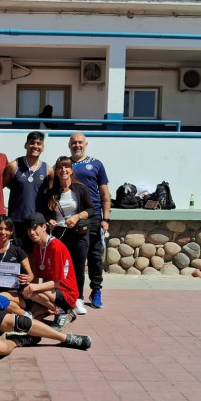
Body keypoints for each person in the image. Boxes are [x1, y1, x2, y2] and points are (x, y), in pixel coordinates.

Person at [0, 212, 79, 332]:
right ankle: (58, 311)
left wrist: (33, 288)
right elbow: (39, 277)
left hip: (66, 292)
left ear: (44, 227)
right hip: (51, 292)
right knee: (30, 316)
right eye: (29, 229)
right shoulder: (37, 248)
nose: (32, 232)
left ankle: (62, 310)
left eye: (35, 228)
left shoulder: (55, 246)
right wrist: (27, 282)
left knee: (31, 289)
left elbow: (56, 283)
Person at [41, 156, 94, 315]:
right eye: (60, 168)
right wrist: (49, 220)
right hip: (59, 234)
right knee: (60, 268)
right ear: (56, 171)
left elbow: (91, 210)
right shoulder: (52, 191)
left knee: (78, 268)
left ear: (71, 170)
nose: (63, 170)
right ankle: (63, 298)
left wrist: (77, 217)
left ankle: (78, 298)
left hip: (78, 234)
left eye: (66, 167)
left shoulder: (81, 188)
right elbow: (47, 212)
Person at [69, 132, 111, 310]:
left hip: (93, 217)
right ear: (69, 145)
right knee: (75, 258)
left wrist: (106, 218)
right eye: (74, 143)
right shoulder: (64, 164)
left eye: (80, 142)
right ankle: (75, 294)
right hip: (71, 217)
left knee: (94, 256)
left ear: (86, 144)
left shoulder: (96, 164)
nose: (77, 145)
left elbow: (105, 194)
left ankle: (96, 291)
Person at [3, 131, 53, 253]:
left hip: (38, 221)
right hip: (17, 219)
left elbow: (51, 195)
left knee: (36, 255)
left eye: (39, 143)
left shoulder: (48, 170)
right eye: (31, 143)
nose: (35, 146)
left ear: (43, 148)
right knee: (17, 254)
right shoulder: (13, 166)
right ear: (25, 145)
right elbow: (3, 186)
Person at [0, 216, 34, 317]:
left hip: (15, 294)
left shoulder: (18, 251)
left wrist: (28, 278)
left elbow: (31, 275)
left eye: (7, 229)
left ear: (11, 232)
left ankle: (26, 315)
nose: (3, 232)